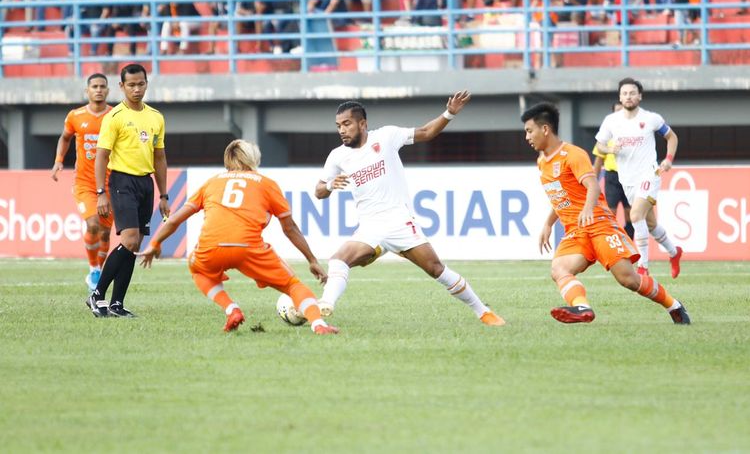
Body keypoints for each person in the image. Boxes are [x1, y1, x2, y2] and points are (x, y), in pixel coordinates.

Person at [315, 92, 505, 326]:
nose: (341, 130)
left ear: (362, 123)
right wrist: (331, 184)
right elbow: (319, 191)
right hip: (370, 228)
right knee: (338, 260)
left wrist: (450, 113)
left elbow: (426, 132)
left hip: (399, 222)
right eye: (338, 126)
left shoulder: (386, 136)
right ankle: (325, 305)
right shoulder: (337, 156)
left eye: (347, 124)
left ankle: (483, 312)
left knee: (436, 269)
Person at [138, 140, 339, 335]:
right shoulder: (267, 184)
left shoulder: (211, 183)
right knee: (293, 285)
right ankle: (318, 325)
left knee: (198, 270)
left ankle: (231, 309)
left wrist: (155, 243)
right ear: (253, 159)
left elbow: (173, 220)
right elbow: (290, 228)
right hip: (248, 247)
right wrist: (312, 260)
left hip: (211, 247)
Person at [522, 102, 690, 324]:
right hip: (576, 231)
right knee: (559, 268)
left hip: (599, 224)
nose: (527, 137)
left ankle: (674, 306)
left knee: (628, 279)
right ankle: (582, 308)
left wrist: (588, 209)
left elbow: (592, 185)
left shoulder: (573, 154)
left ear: (545, 129)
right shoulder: (542, 162)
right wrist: (548, 223)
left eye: (529, 130)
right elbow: (563, 196)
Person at [87, 63, 170, 318]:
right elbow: (101, 157)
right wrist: (101, 192)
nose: (136, 89)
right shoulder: (115, 117)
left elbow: (160, 158)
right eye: (131, 85)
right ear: (122, 87)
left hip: (145, 184)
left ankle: (116, 304)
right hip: (122, 182)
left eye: (140, 84)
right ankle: (97, 294)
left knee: (134, 247)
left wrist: (164, 194)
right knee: (130, 240)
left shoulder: (156, 117)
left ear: (147, 83)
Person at [595, 77, 683, 278]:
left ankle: (643, 266)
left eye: (632, 93)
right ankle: (674, 252)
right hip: (627, 180)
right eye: (625, 93)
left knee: (635, 216)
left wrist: (668, 159)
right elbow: (599, 145)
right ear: (620, 97)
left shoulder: (651, 119)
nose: (628, 96)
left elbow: (672, 137)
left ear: (639, 96)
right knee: (650, 224)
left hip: (649, 175)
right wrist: (609, 148)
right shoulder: (611, 121)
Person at [51, 73, 113, 293]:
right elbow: (65, 137)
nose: (98, 89)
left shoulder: (115, 116)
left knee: (105, 234)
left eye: (102, 86)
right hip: (84, 183)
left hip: (110, 183)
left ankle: (99, 271)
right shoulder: (75, 116)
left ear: (108, 90)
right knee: (93, 224)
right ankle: (94, 268)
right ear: (87, 91)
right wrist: (59, 161)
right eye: (94, 86)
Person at [591, 102, 634, 239]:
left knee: (631, 214)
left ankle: (628, 245)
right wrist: (592, 183)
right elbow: (598, 161)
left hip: (629, 177)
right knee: (611, 213)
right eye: (616, 111)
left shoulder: (633, 134)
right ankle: (612, 245)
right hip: (612, 177)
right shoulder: (607, 134)